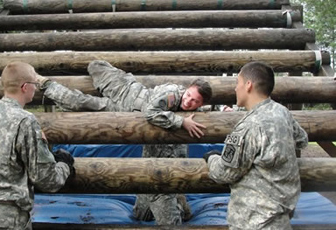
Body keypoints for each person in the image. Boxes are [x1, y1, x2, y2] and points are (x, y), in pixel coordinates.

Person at [37, 60, 213, 225]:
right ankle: (45, 82)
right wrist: (181, 121)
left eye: (195, 101)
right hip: (125, 95)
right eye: (189, 95)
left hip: (123, 100)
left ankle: (47, 84)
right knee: (93, 68)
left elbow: (192, 107)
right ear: (187, 89)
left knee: (81, 100)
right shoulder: (172, 95)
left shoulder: (185, 101)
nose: (188, 101)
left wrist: (210, 110)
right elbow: (151, 112)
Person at [0, 61, 75, 230]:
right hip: (7, 219)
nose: (36, 88)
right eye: (35, 84)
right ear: (25, 87)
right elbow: (47, 180)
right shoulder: (24, 121)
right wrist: (64, 165)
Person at [203, 61, 308, 230]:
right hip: (281, 217)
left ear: (248, 85)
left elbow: (225, 173)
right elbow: (302, 139)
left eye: (238, 83)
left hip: (253, 221)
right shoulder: (281, 112)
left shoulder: (249, 127)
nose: (236, 88)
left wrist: (211, 158)